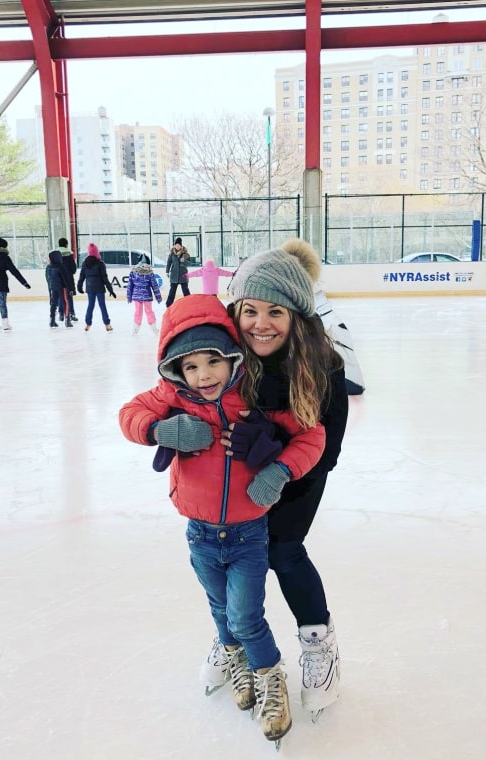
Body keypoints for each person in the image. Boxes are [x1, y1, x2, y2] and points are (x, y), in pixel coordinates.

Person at [118, 294, 326, 745]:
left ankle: (270, 677)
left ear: (232, 357)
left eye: (213, 360)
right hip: (199, 533)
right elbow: (129, 415)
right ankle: (239, 661)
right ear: (175, 370)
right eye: (190, 366)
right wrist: (158, 429)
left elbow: (312, 434)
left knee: (246, 615)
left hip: (250, 532)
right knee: (220, 611)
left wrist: (279, 469)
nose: (203, 375)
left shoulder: (255, 394)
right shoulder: (172, 396)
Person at [201, 237, 349, 720]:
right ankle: (234, 643)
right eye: (250, 310)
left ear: (297, 317)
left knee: (281, 552)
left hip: (297, 480)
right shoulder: (226, 358)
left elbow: (326, 453)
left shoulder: (324, 367)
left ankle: (318, 647)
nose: (260, 324)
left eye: (276, 312)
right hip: (235, 479)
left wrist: (275, 458)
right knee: (226, 558)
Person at [77, 242, 116, 332]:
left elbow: (82, 276)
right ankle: (107, 324)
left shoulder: (85, 263)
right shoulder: (100, 263)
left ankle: (87, 324)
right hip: (99, 288)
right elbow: (104, 278)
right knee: (102, 305)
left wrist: (79, 286)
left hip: (90, 288)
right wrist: (111, 290)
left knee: (90, 305)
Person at [126, 256, 162, 335]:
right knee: (149, 311)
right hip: (146, 295)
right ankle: (153, 328)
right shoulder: (149, 272)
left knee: (138, 312)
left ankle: (135, 329)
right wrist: (158, 297)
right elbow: (154, 285)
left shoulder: (133, 271)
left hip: (136, 295)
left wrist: (129, 296)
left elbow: (130, 285)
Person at [45, 249, 76, 329]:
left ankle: (52, 320)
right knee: (65, 302)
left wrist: (50, 288)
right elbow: (66, 278)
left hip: (53, 287)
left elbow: (48, 279)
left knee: (54, 304)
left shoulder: (48, 267)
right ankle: (67, 320)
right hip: (62, 287)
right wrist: (70, 289)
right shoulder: (61, 266)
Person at [57, 236, 78, 322]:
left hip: (58, 278)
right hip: (68, 278)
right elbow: (73, 269)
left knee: (60, 296)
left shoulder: (55, 254)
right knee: (69, 295)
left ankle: (61, 314)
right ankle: (71, 313)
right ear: (66, 245)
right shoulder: (70, 254)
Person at [164, 236, 190, 307]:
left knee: (185, 291)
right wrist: (167, 271)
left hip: (183, 275)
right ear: (174, 245)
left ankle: (189, 303)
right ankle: (168, 304)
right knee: (172, 291)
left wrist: (184, 261)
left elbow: (189, 263)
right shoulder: (172, 254)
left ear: (181, 246)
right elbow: (169, 263)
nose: (177, 246)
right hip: (174, 275)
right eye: (176, 245)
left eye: (179, 245)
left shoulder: (185, 254)